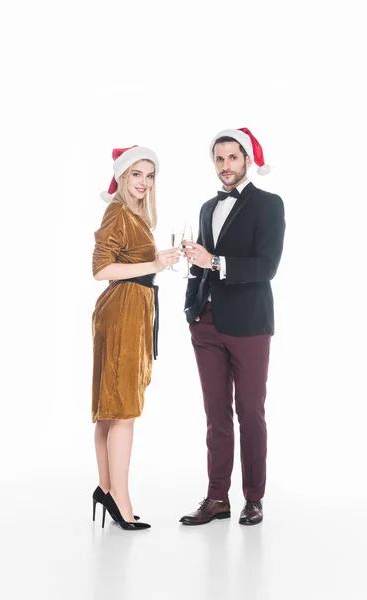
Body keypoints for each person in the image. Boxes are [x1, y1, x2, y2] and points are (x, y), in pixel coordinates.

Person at [181, 128, 285, 526]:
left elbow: (267, 266)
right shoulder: (208, 206)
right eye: (219, 159)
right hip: (206, 324)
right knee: (215, 415)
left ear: (247, 161)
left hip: (250, 323)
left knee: (250, 412)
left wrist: (216, 262)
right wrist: (192, 302)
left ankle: (253, 498)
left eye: (232, 158)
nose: (225, 166)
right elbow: (202, 263)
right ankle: (216, 497)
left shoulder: (269, 204)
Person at [91, 145, 180, 531]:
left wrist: (159, 260)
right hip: (124, 311)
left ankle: (106, 489)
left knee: (112, 407)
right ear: (123, 177)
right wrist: (155, 263)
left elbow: (130, 262)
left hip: (131, 308)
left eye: (149, 175)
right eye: (136, 175)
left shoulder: (134, 216)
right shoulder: (117, 212)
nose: (143, 182)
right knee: (123, 408)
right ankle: (119, 500)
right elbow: (100, 269)